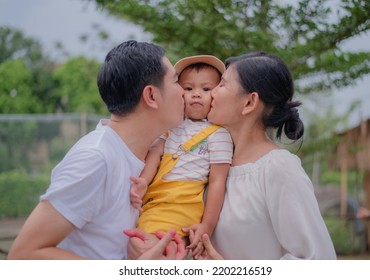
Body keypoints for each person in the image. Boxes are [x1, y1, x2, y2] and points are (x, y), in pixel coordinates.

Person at [7, 40, 187, 260]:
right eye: (177, 82)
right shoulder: (95, 159)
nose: (184, 92)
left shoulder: (154, 153)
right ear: (151, 96)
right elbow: (23, 255)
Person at [195, 51, 337, 260]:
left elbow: (317, 259)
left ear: (250, 103)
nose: (211, 93)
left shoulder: (279, 168)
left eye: (222, 85)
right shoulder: (211, 163)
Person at [128, 55, 233, 259]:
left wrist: (207, 225)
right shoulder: (171, 125)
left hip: (184, 201)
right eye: (188, 88)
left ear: (217, 94)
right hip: (156, 198)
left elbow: (217, 181)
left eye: (206, 89)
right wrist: (143, 181)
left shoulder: (218, 134)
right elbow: (155, 154)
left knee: (162, 242)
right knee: (147, 239)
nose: (196, 95)